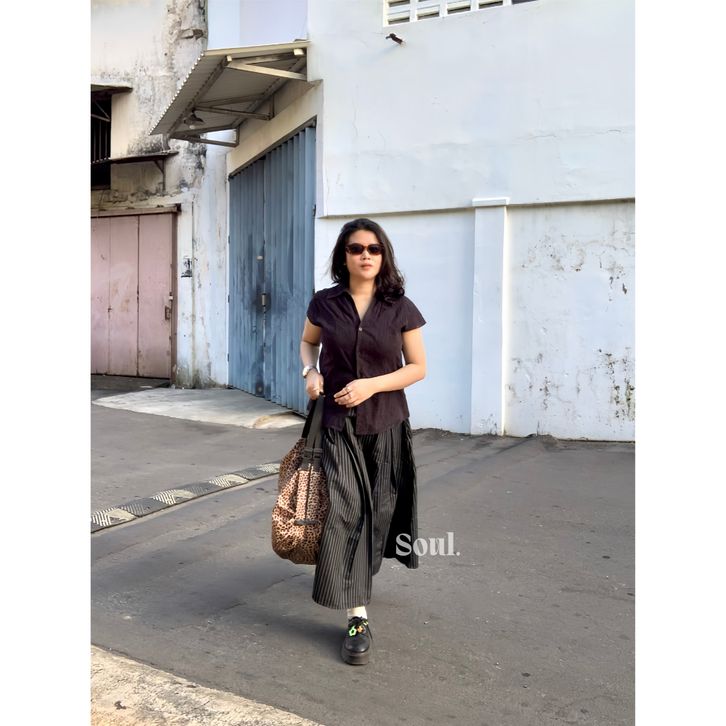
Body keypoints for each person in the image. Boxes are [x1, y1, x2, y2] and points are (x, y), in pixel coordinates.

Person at [299, 217, 427, 666]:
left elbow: (418, 367)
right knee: (347, 510)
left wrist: (371, 385)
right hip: (337, 426)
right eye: (356, 248)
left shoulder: (400, 307)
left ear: (383, 255)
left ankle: (359, 572)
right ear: (344, 256)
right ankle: (357, 615)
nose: (365, 255)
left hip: (386, 424)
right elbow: (307, 343)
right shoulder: (324, 303)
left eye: (374, 248)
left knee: (380, 512)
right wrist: (310, 371)